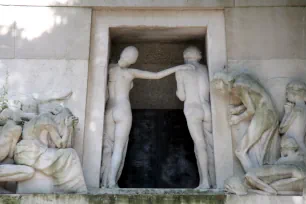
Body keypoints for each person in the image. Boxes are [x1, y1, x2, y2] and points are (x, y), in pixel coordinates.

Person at [101, 46, 194, 188]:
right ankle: (112, 182)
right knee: (118, 148)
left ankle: (103, 181)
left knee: (107, 147)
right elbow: (157, 75)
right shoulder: (130, 72)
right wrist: (179, 67)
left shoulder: (110, 69)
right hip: (122, 109)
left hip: (109, 109)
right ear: (133, 60)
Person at [212, 71, 279, 172]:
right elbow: (255, 100)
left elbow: (251, 109)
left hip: (264, 114)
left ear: (225, 83)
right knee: (256, 153)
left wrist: (237, 118)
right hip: (268, 114)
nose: (223, 93)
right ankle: (258, 174)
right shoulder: (241, 79)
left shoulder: (238, 86)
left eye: (221, 90)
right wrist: (238, 109)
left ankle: (253, 177)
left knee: (240, 150)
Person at [174, 46, 214, 189]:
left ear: (185, 56)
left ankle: (205, 182)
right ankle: (214, 179)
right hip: (207, 108)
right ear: (199, 56)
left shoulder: (181, 70)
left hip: (193, 108)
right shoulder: (205, 69)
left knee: (200, 145)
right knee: (210, 145)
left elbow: (182, 96)